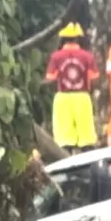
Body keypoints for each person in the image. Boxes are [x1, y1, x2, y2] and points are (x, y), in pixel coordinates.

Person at [45, 23, 100, 154]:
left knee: (64, 141)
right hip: (82, 97)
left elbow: (50, 78)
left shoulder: (56, 57)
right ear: (78, 38)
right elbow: (94, 78)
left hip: (62, 98)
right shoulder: (87, 56)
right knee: (87, 140)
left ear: (62, 38)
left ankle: (68, 171)